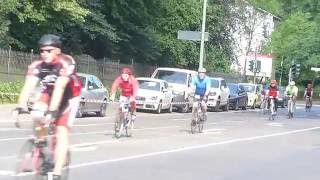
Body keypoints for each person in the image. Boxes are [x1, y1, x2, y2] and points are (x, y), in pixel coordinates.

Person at [13, 34, 82, 180]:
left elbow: (60, 87)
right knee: (37, 113)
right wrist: (20, 106)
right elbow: (28, 87)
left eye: (49, 50)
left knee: (61, 130)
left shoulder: (66, 62)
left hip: (69, 96)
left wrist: (52, 112)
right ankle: (42, 142)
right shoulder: (37, 65)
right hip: (49, 92)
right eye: (42, 51)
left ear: (57, 50)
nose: (45, 54)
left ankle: (57, 172)